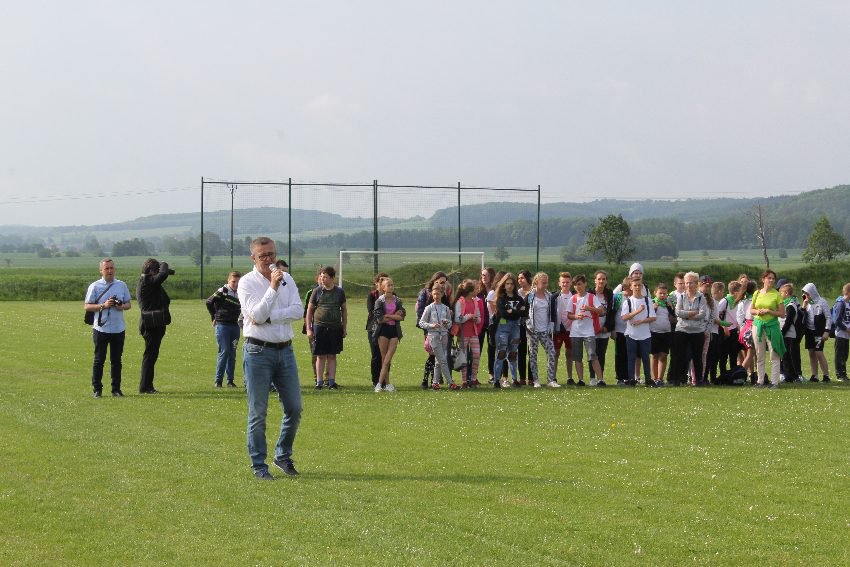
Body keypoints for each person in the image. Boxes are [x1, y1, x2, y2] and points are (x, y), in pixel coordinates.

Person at [238, 237, 303, 480]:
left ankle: (282, 455)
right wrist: (273, 288)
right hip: (258, 352)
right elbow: (256, 315)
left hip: (285, 351)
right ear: (253, 258)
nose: (269, 259)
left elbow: (298, 310)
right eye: (263, 255)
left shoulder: (288, 279)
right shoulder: (247, 282)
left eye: (271, 254)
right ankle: (259, 465)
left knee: (294, 408)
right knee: (258, 412)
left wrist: (271, 317)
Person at [84, 258, 132, 397]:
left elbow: (129, 304)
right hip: (101, 329)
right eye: (106, 268)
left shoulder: (121, 285)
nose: (110, 271)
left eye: (111, 268)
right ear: (101, 270)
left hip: (118, 328)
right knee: (99, 360)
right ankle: (97, 389)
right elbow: (87, 306)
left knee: (116, 361)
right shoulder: (95, 286)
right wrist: (103, 306)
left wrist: (121, 306)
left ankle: (116, 389)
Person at [306, 266, 347, 390]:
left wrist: (344, 327)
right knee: (320, 355)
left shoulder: (339, 292)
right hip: (320, 327)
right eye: (321, 276)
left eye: (325, 277)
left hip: (335, 328)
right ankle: (319, 383)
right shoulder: (317, 291)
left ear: (332, 278)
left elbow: (344, 310)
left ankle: (331, 382)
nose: (322, 279)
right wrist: (309, 329)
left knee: (332, 355)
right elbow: (309, 311)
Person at [136, 258, 173, 394]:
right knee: (150, 356)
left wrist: (164, 270)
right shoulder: (147, 282)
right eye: (157, 270)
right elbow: (162, 275)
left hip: (154, 323)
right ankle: (145, 387)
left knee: (152, 355)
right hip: (151, 324)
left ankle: (147, 385)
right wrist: (163, 264)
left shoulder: (149, 282)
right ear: (151, 271)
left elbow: (163, 275)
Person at [670, 271, 710, 386]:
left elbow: (702, 314)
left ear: (696, 284)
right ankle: (677, 379)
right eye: (686, 283)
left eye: (690, 283)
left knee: (697, 357)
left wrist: (686, 314)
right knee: (679, 356)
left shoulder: (701, 298)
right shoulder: (681, 296)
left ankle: (698, 380)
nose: (688, 285)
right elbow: (678, 312)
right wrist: (692, 313)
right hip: (682, 330)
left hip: (697, 331)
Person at [567, 274, 605, 387]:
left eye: (579, 284)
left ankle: (600, 380)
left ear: (585, 284)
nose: (577, 287)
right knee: (577, 357)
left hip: (589, 331)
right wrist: (576, 316)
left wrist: (589, 308)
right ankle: (581, 380)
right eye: (575, 285)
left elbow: (601, 311)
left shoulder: (592, 297)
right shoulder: (572, 298)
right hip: (576, 332)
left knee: (592, 355)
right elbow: (569, 315)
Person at [750, 270, 786, 389]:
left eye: (773, 278)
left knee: (774, 354)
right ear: (763, 279)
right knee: (759, 355)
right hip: (758, 326)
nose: (771, 280)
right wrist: (758, 312)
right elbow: (751, 310)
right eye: (769, 278)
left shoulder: (777, 294)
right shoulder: (757, 293)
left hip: (772, 326)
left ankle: (774, 382)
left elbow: (782, 313)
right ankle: (760, 381)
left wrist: (769, 311)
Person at [206, 271, 242, 388]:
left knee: (232, 353)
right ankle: (218, 381)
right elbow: (209, 302)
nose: (236, 284)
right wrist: (214, 316)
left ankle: (230, 381)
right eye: (233, 282)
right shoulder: (222, 291)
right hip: (223, 325)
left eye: (238, 282)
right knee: (225, 351)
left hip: (235, 326)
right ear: (228, 280)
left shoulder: (241, 292)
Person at [491, 273, 528, 388]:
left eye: (512, 284)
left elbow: (524, 312)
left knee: (513, 353)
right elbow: (503, 314)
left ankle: (514, 379)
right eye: (507, 283)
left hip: (515, 328)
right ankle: (497, 380)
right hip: (502, 328)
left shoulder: (519, 298)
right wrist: (517, 312)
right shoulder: (501, 299)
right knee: (501, 353)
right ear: (504, 285)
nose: (510, 286)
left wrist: (512, 311)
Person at [416, 272, 450, 388]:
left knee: (438, 356)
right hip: (430, 330)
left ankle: (435, 381)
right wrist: (428, 327)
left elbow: (448, 310)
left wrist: (448, 318)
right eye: (439, 282)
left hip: (442, 331)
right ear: (434, 281)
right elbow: (421, 312)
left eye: (444, 282)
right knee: (433, 355)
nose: (442, 284)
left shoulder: (444, 295)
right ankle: (427, 379)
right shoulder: (425, 293)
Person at [621, 278, 657, 387]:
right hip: (631, 334)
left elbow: (653, 317)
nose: (637, 287)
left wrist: (641, 321)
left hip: (645, 335)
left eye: (639, 285)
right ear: (631, 287)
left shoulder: (647, 300)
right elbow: (624, 317)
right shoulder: (628, 301)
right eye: (635, 285)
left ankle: (648, 379)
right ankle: (631, 379)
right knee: (631, 358)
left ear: (642, 287)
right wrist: (638, 311)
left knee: (646, 358)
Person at [371, 277, 405, 392]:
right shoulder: (379, 301)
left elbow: (401, 317)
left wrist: (389, 316)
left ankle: (379, 384)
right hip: (383, 331)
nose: (391, 287)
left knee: (388, 359)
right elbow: (380, 319)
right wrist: (394, 316)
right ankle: (387, 384)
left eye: (392, 284)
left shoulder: (398, 301)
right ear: (383, 288)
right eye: (388, 285)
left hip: (394, 331)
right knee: (384, 358)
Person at [525, 272, 558, 388]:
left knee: (552, 352)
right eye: (543, 283)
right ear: (536, 282)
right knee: (533, 355)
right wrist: (528, 324)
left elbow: (552, 312)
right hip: (532, 331)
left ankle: (550, 380)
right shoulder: (530, 295)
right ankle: (536, 380)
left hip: (545, 331)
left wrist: (551, 325)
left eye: (546, 283)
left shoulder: (549, 296)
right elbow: (525, 311)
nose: (545, 285)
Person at [453, 279, 484, 387]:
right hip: (463, 334)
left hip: (473, 333)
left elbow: (479, 318)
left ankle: (473, 379)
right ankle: (464, 381)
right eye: (475, 289)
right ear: (470, 291)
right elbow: (458, 319)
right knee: (463, 357)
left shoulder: (475, 301)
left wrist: (476, 319)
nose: (477, 291)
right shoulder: (460, 302)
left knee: (476, 355)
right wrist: (469, 316)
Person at [801, 282, 833, 382]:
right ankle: (814, 375)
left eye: (807, 293)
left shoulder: (822, 302)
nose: (806, 295)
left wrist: (826, 331)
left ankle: (826, 375)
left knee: (819, 352)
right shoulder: (807, 303)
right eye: (805, 293)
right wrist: (804, 306)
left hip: (819, 332)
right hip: (809, 331)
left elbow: (828, 317)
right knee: (811, 352)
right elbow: (802, 315)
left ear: (812, 292)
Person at [589, 270, 614, 384]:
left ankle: (600, 378)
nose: (601, 281)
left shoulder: (609, 294)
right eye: (599, 279)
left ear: (606, 281)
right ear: (595, 280)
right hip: (591, 329)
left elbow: (611, 312)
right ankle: (592, 378)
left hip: (604, 329)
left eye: (603, 279)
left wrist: (607, 327)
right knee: (592, 354)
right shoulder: (590, 293)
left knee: (602, 354)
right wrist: (593, 327)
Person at [366, 272, 389, 386]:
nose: (382, 283)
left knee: (386, 356)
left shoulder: (392, 295)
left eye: (385, 280)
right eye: (380, 280)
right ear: (376, 283)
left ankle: (384, 380)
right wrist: (388, 315)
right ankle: (376, 381)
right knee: (376, 355)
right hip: (374, 328)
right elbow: (372, 312)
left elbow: (398, 310)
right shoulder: (372, 295)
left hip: (388, 328)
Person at [551, 272, 574, 385]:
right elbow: (551, 313)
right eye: (563, 282)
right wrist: (554, 327)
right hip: (558, 330)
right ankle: (553, 377)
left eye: (567, 282)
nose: (565, 284)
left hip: (571, 330)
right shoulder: (554, 297)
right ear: (559, 283)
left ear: (571, 283)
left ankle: (570, 377)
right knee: (555, 353)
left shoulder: (575, 296)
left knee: (569, 353)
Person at [649, 282, 674, 385]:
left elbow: (673, 319)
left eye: (664, 293)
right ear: (655, 293)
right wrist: (653, 308)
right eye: (660, 293)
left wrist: (671, 311)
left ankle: (660, 379)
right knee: (654, 355)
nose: (662, 295)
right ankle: (654, 378)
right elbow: (647, 317)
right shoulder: (651, 303)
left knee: (663, 355)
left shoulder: (668, 305)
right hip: (653, 332)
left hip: (666, 333)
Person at [778, 282, 803, 383]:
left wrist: (782, 333)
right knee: (785, 355)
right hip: (785, 333)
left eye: (781, 292)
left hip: (788, 334)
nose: (780, 294)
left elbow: (788, 321)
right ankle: (789, 376)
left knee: (787, 355)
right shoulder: (785, 304)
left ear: (786, 293)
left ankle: (793, 376)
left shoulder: (791, 305)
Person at [516, 269, 533, 386]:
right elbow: (518, 309)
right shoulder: (517, 293)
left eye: (522, 278)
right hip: (520, 325)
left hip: (532, 325)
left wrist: (523, 309)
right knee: (521, 351)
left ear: (528, 279)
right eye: (518, 278)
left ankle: (531, 378)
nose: (520, 280)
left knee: (531, 351)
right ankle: (522, 378)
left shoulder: (533, 291)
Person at [832, 283, 850, 381]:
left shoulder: (848, 303)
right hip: (840, 334)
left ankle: (844, 374)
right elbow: (837, 321)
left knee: (845, 355)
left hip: (846, 335)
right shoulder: (840, 303)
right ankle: (839, 375)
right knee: (839, 355)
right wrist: (846, 329)